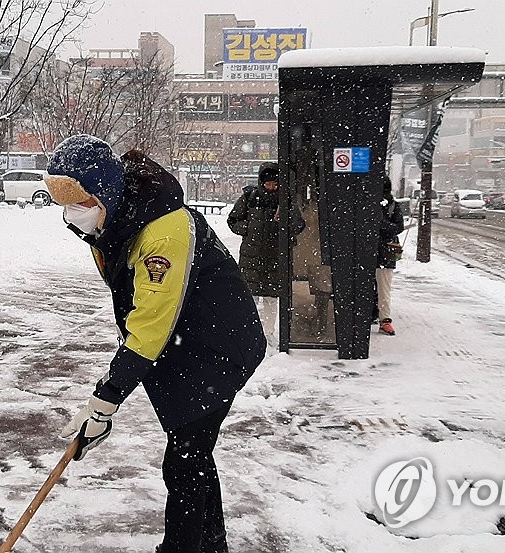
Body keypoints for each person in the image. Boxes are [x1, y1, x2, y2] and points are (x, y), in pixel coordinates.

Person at [46, 135, 266, 553]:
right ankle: (212, 544)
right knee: (194, 455)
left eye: (79, 201)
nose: (71, 215)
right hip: (184, 345)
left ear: (105, 191)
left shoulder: (164, 231)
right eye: (64, 203)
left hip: (218, 348)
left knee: (185, 461)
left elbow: (152, 322)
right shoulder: (115, 220)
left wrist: (106, 399)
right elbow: (138, 309)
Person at [226, 161, 303, 347]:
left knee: (270, 298)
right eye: (268, 184)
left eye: (275, 184)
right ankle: (250, 332)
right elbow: (233, 220)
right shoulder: (249, 197)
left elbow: (299, 225)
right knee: (249, 297)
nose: (271, 187)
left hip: (275, 258)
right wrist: (249, 229)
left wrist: (286, 223)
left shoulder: (286, 201)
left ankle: (268, 333)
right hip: (251, 258)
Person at [375, 187, 405, 336]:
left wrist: (380, 224)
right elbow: (398, 227)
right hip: (380, 253)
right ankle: (381, 318)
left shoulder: (391, 206)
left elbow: (399, 227)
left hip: (383, 253)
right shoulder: (387, 205)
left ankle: (384, 319)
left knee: (383, 288)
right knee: (383, 289)